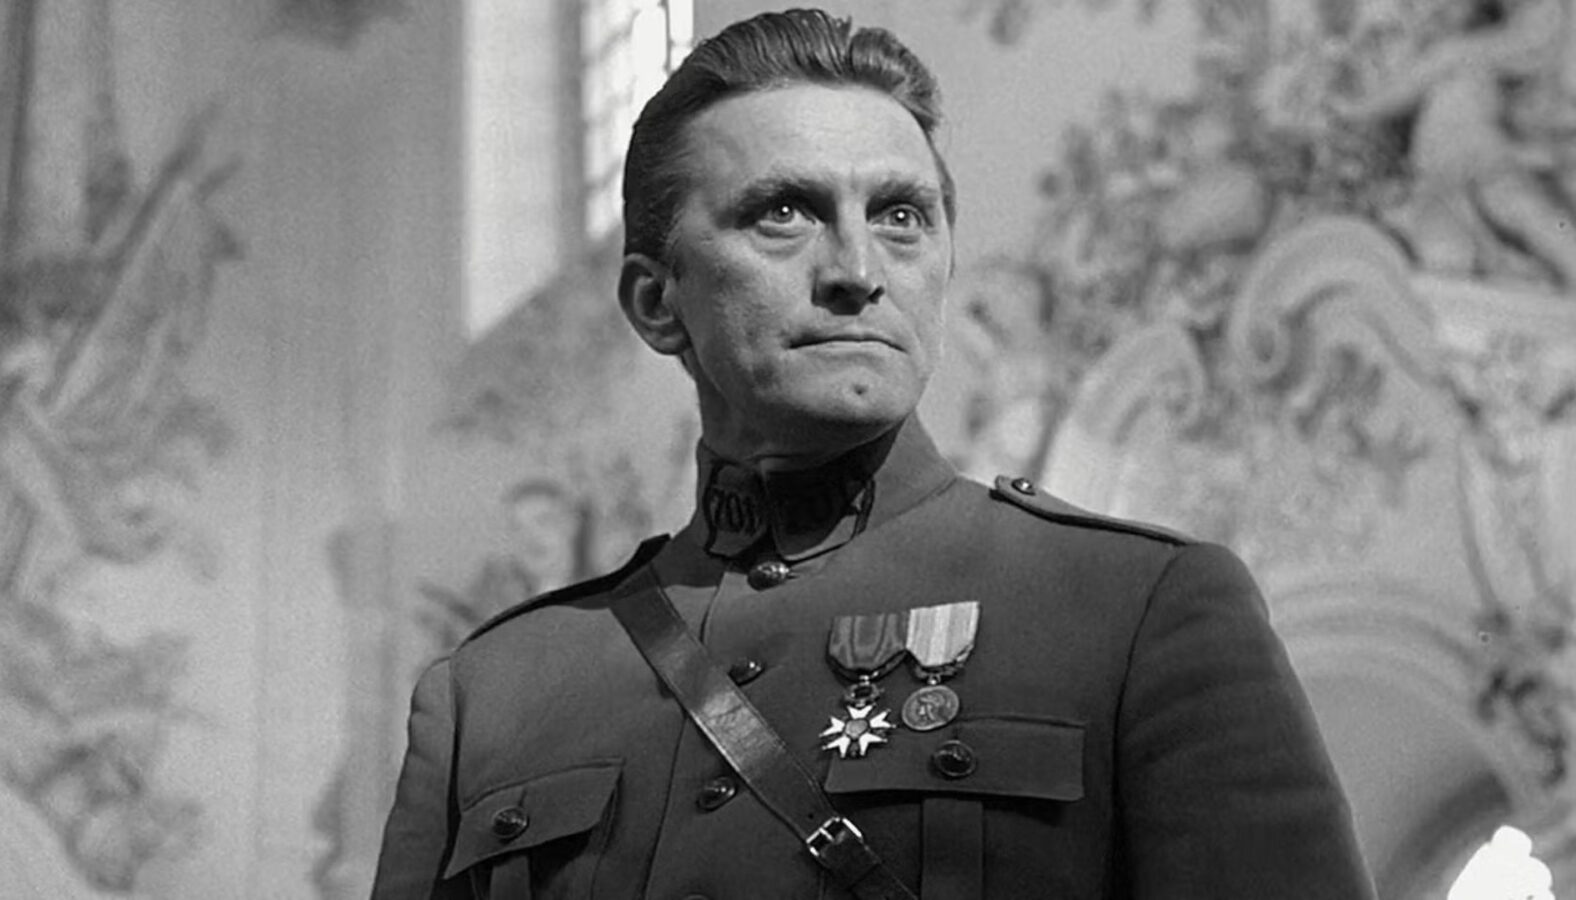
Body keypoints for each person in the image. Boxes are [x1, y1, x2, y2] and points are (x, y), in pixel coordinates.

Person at [371, 9, 1376, 899]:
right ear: (655, 300)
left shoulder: (1138, 613)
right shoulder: (492, 698)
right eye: (782, 213)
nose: (857, 270)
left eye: (900, 216)